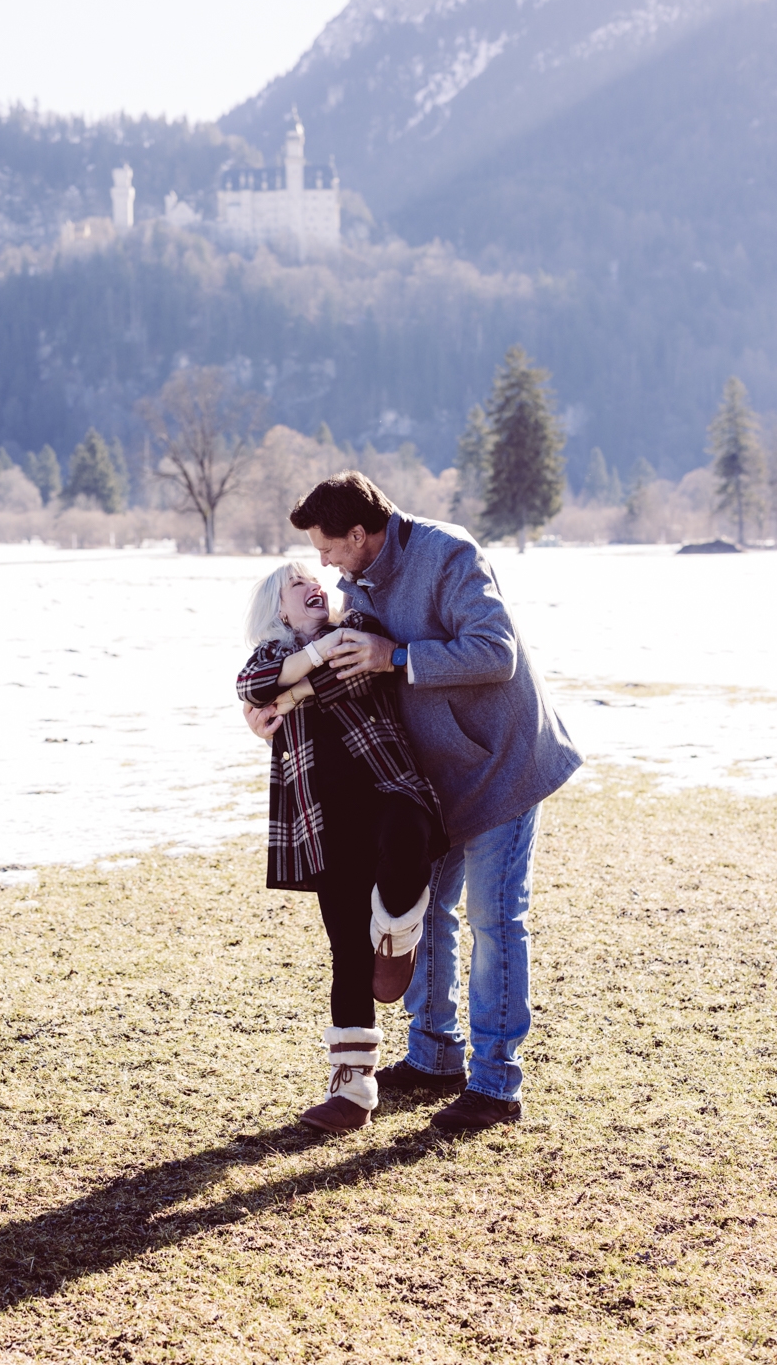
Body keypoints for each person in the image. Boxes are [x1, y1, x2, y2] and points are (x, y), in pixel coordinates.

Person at [245, 472, 582, 1135]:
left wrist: (394, 655)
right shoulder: (353, 584)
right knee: (425, 913)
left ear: (360, 533)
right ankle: (433, 1057)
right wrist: (267, 712)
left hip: (500, 762)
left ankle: (496, 1085)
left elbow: (496, 652)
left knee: (494, 920)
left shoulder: (449, 554)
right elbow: (313, 664)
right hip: (429, 780)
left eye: (328, 548)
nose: (325, 564)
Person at [237, 561, 446, 1134]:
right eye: (296, 583)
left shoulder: (355, 626)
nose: (314, 586)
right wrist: (294, 674)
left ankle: (396, 934)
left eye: (314, 579)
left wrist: (292, 691)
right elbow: (250, 688)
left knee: (409, 837)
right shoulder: (267, 660)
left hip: (388, 784)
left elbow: (347, 677)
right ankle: (352, 1090)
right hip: (321, 820)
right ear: (279, 612)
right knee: (346, 948)